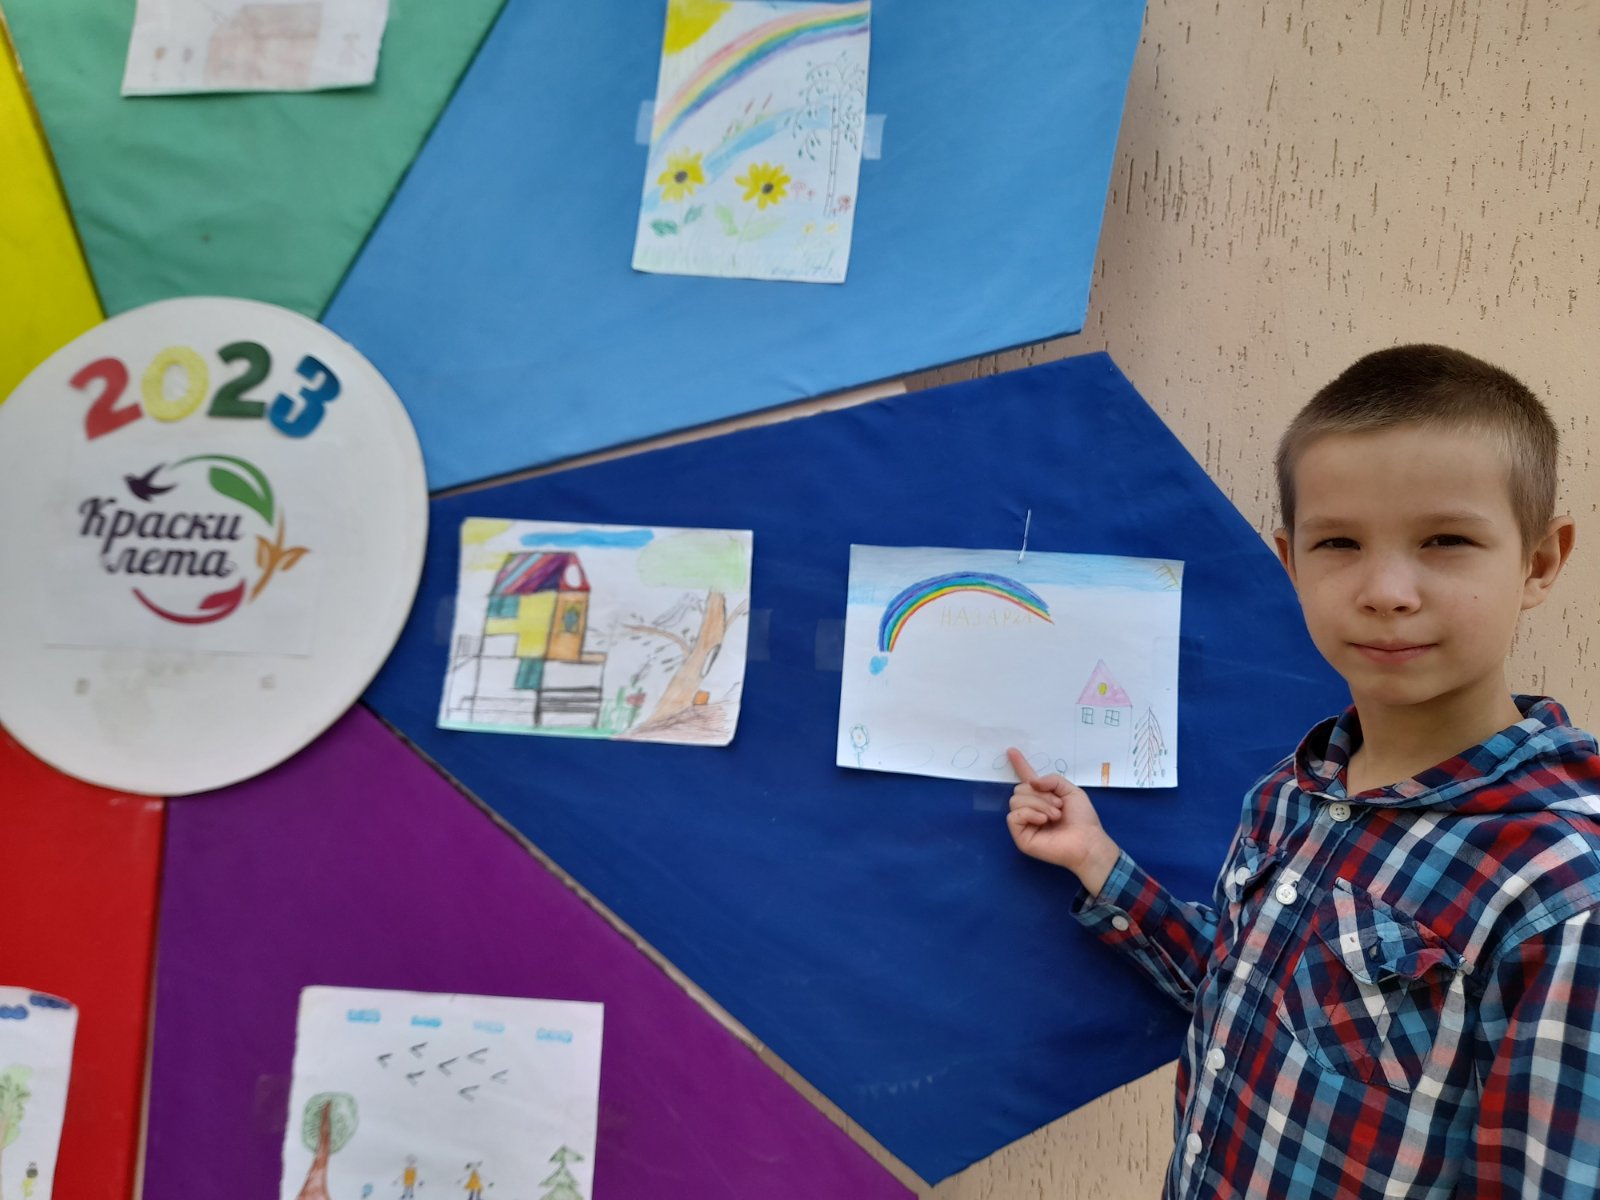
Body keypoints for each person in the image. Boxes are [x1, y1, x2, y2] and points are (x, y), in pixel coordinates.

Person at [1007, 344, 1600, 1197]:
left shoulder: (1562, 888)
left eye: (1446, 540)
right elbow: (1245, 998)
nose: (1386, 590)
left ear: (1539, 561)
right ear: (1290, 562)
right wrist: (1098, 862)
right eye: (1339, 542)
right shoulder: (1291, 790)